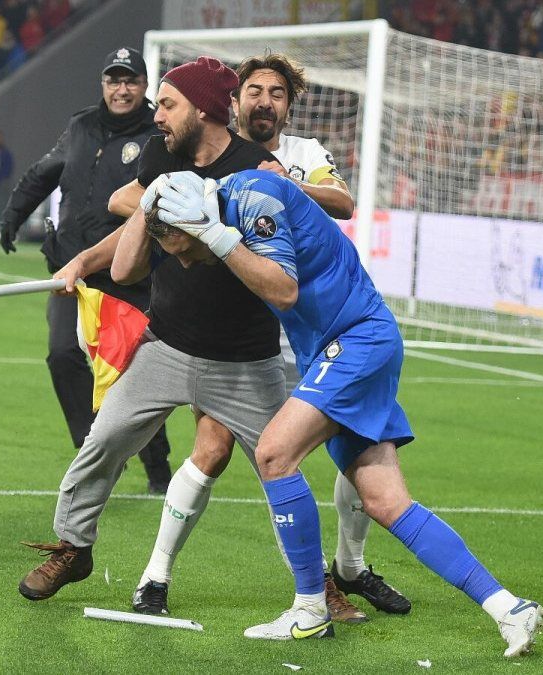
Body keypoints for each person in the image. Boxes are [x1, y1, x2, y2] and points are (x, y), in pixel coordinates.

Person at [147, 169, 543, 654]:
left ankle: (310, 609)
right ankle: (509, 608)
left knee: (273, 453)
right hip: (344, 348)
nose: (185, 262)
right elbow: (135, 266)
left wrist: (213, 235)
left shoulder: (254, 197)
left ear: (200, 221)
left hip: (356, 340)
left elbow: (284, 291)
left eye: (185, 249)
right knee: (386, 502)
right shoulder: (223, 211)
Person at [127, 53, 404, 623]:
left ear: (288, 107)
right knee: (215, 450)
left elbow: (344, 202)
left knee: (362, 450)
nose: (264, 101)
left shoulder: (302, 155)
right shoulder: (209, 157)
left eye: (277, 94)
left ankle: (348, 570)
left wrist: (286, 183)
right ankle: (155, 574)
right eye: (254, 90)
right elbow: (131, 201)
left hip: (322, 333)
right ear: (232, 102)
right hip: (251, 339)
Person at [16, 56, 285, 603]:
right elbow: (132, 235)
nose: (155, 115)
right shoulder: (163, 155)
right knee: (105, 439)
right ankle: (73, 547)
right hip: (167, 345)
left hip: (244, 361)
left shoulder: (261, 170)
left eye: (166, 104)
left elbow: (279, 272)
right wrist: (83, 260)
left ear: (203, 109)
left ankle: (319, 581)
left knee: (283, 472)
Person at [0, 47, 172, 493]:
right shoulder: (80, 126)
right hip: (70, 269)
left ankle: (157, 465)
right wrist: (13, 214)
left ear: (144, 85)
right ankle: (92, 450)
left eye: (130, 80)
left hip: (127, 274)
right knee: (62, 355)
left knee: (131, 373)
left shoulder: (157, 134)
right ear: (103, 84)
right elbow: (44, 172)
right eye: (114, 80)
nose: (121, 89)